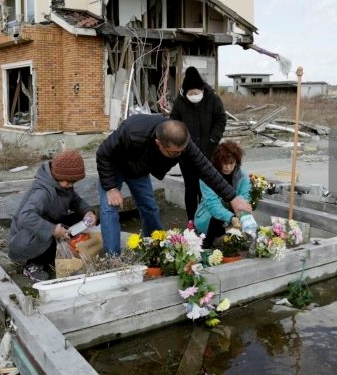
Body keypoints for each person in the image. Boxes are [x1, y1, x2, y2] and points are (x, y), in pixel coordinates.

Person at [96, 114, 252, 254]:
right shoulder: (132, 133)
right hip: (113, 167)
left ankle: (155, 247)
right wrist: (111, 187)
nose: (179, 155)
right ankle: (113, 258)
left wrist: (232, 197)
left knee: (150, 208)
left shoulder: (182, 142)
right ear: (159, 143)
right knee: (109, 209)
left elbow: (205, 168)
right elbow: (103, 154)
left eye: (182, 151)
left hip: (138, 170)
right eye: (174, 153)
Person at [8, 150, 97, 282]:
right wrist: (53, 230)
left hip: (49, 221)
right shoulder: (42, 192)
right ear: (57, 175)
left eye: (74, 182)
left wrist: (87, 212)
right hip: (25, 237)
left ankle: (68, 250)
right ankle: (33, 264)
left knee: (84, 221)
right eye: (69, 182)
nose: (71, 185)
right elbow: (26, 217)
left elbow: (74, 200)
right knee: (47, 235)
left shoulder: (63, 185)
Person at [170, 67, 227, 222]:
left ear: (202, 90)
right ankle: (191, 221)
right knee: (191, 188)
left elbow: (221, 119)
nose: (194, 96)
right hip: (186, 154)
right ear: (185, 92)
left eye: (196, 92)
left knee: (207, 189)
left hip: (209, 151)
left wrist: (213, 139)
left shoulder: (213, 99)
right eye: (190, 93)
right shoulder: (179, 102)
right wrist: (180, 142)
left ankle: (207, 220)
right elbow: (173, 123)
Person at [194, 141, 250, 248]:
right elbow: (213, 204)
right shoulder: (208, 176)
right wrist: (231, 218)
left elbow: (244, 199)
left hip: (234, 211)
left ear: (236, 162)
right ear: (218, 161)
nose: (228, 167)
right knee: (215, 220)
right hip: (210, 213)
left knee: (247, 217)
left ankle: (235, 243)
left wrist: (240, 215)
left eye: (231, 163)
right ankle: (207, 243)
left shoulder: (242, 176)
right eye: (224, 163)